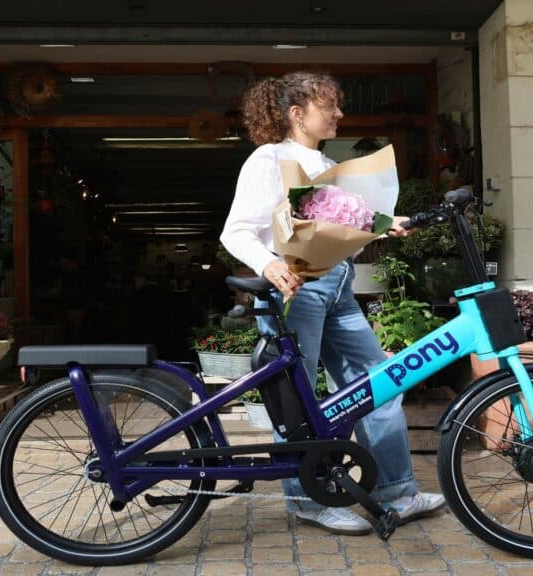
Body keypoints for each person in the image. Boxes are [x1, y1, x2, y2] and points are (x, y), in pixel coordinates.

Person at [220, 71, 445, 535]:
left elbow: (336, 228)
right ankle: (307, 498)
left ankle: (396, 492)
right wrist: (268, 264)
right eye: (330, 105)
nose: (340, 113)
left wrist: (384, 225)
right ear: (297, 114)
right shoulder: (270, 158)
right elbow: (236, 230)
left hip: (336, 285)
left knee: (379, 384)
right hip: (296, 288)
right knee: (297, 401)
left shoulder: (323, 161)